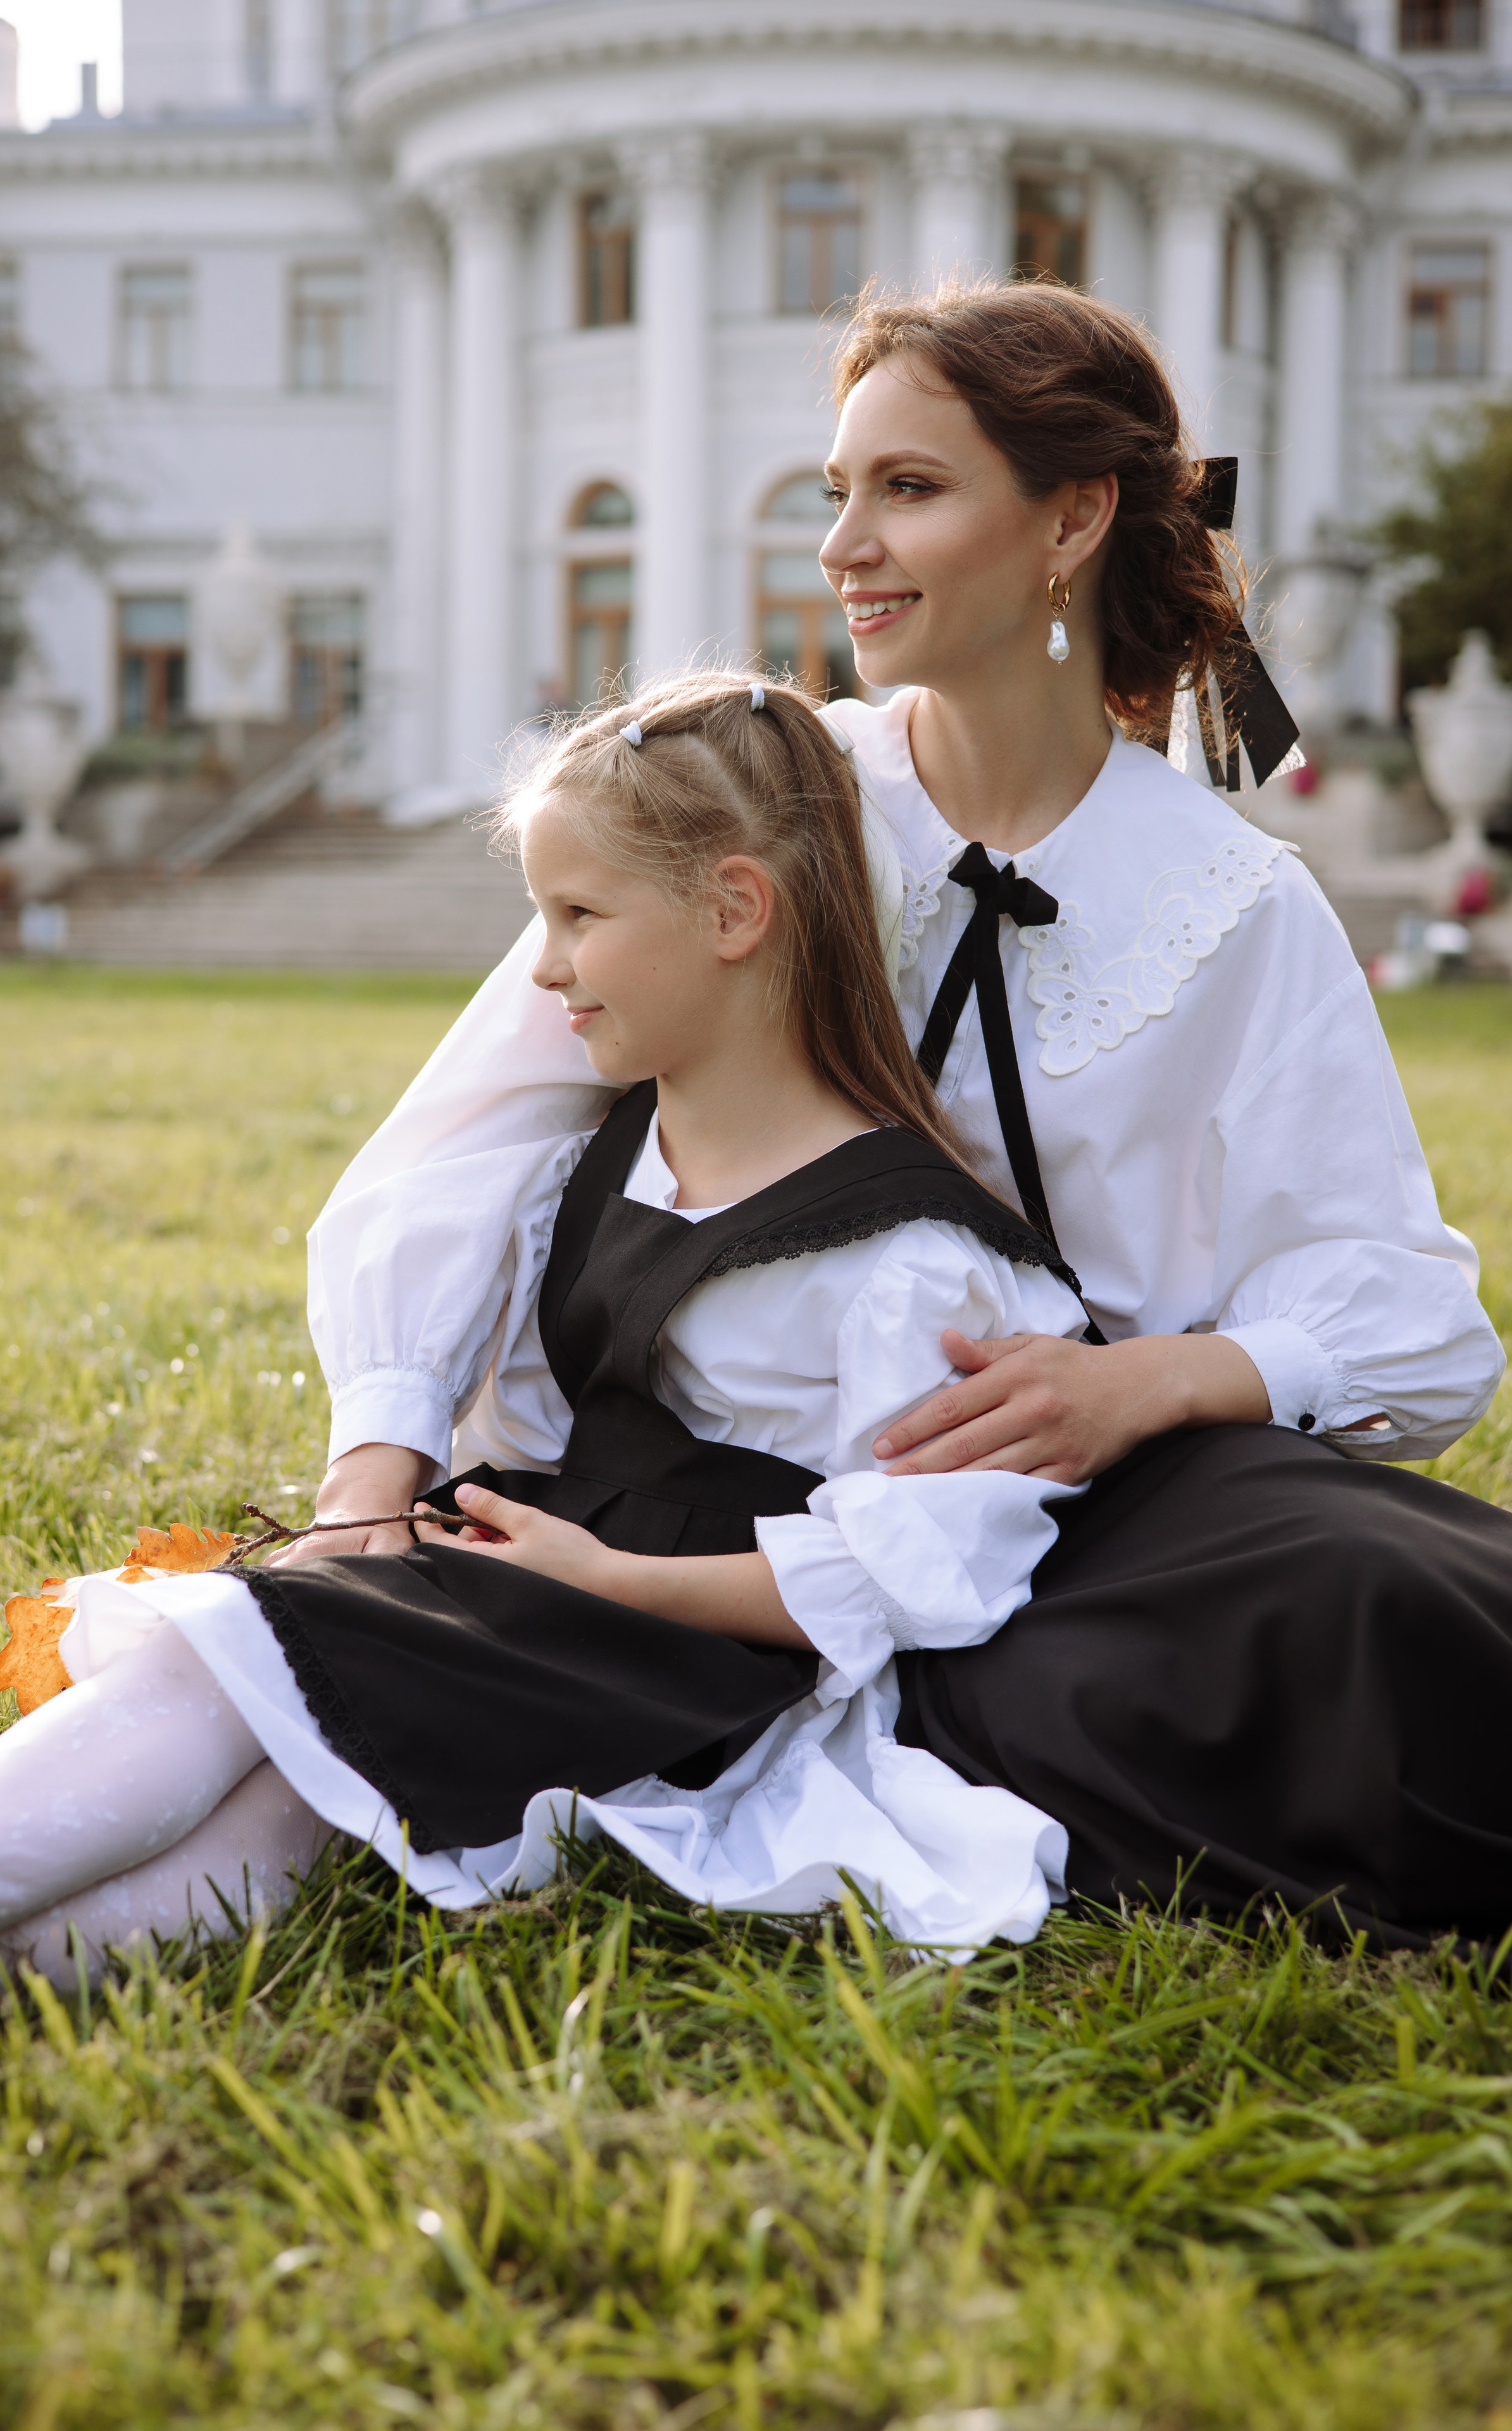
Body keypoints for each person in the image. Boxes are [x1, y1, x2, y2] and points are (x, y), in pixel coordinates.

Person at [280, 279, 1511, 1949]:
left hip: (1083, 1505)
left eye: (908, 489)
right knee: (1123, 1702)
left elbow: (1413, 1320)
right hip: (710, 1486)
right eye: (837, 489)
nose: (841, 543)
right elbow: (479, 1126)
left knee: (1397, 1606)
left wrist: (1141, 1385)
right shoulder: (772, 795)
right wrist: (380, 1463)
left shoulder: (1237, 900)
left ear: (1072, 518)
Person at [0, 672, 1098, 2000]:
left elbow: (915, 1568)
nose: (544, 967)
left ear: (734, 911)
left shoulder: (912, 1257)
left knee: (240, 1670)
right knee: (298, 1760)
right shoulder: (590, 1161)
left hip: (691, 1665)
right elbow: (523, 1409)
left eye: (578, 916)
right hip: (539, 1577)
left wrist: (614, 1581)